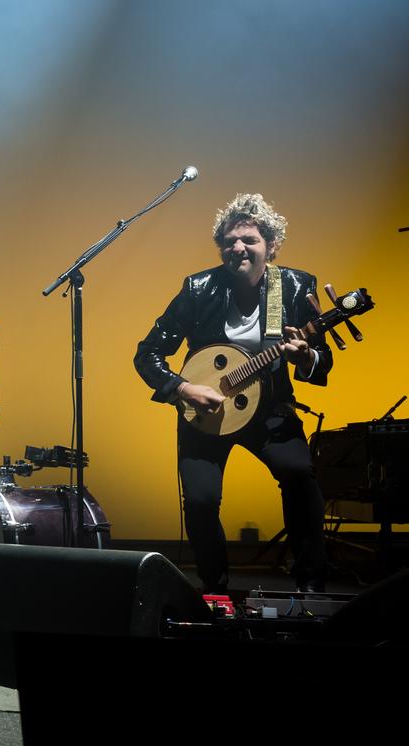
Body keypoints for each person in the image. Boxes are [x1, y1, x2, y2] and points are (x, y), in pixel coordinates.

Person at [134, 193, 332, 593]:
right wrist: (184, 388)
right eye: (229, 241)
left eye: (249, 240)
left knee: (299, 475)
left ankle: (311, 584)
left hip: (270, 410)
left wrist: (306, 354)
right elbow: (148, 353)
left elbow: (322, 359)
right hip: (207, 413)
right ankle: (214, 590)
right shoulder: (199, 288)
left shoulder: (294, 287)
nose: (237, 247)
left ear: (271, 246)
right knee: (202, 500)